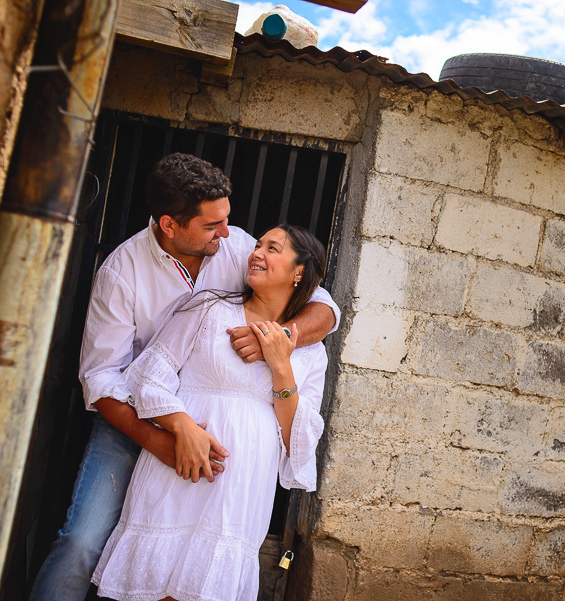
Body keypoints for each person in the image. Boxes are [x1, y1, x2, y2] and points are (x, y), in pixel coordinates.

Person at [28, 154, 339, 601]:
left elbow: (322, 304)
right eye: (212, 225)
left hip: (227, 460)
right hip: (131, 417)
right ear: (170, 225)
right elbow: (101, 378)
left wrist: (283, 341)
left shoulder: (234, 246)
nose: (229, 235)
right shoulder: (122, 272)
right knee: (83, 541)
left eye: (227, 220)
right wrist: (164, 439)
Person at [93, 224, 329, 601]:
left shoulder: (311, 351)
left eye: (272, 248)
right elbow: (147, 377)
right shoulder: (210, 309)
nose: (256, 253)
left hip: (241, 484)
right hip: (179, 464)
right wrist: (182, 426)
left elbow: (297, 439)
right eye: (257, 245)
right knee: (152, 586)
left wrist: (281, 365)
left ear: (299, 272)